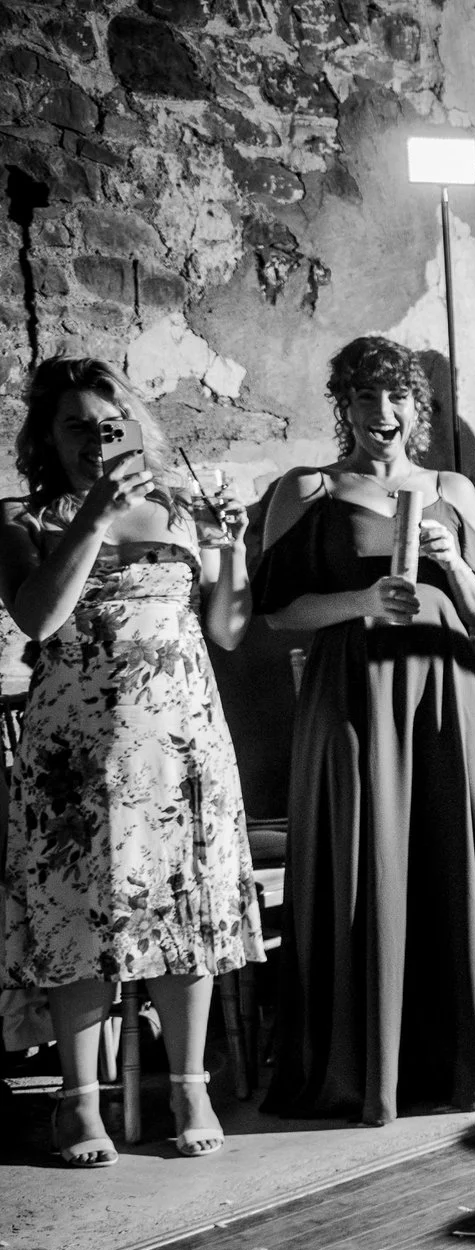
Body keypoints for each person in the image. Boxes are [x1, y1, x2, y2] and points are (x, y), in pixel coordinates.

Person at [254, 335, 475, 1123]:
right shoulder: (307, 488)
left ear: (418, 407)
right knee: (364, 859)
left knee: (450, 856)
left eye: (399, 396)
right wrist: (362, 602)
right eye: (367, 396)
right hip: (354, 696)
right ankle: (365, 1065)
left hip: (448, 696)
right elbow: (276, 613)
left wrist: (455, 560)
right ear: (343, 406)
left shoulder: (450, 488)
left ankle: (458, 1056)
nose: (384, 411)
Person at [0, 358, 262, 1164]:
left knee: (186, 909)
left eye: (108, 423)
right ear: (47, 439)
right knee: (77, 914)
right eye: (75, 425)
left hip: (183, 747)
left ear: (133, 428)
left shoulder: (179, 510)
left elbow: (228, 629)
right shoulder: (22, 521)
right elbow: (39, 618)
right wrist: (93, 519)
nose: (94, 438)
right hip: (75, 758)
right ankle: (78, 1102)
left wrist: (231, 548)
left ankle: (190, 1084)